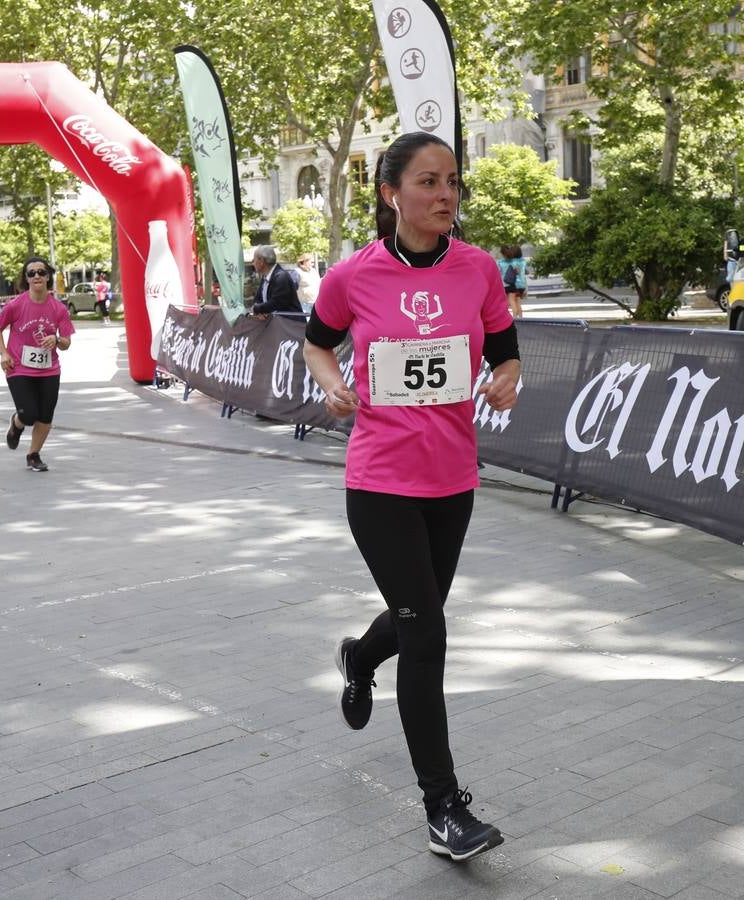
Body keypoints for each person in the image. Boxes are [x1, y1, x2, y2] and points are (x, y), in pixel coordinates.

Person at [302, 131, 521, 864]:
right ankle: (444, 809)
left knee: (416, 616)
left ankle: (360, 659)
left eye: (454, 181)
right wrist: (331, 383)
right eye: (429, 182)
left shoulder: (479, 269)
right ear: (392, 193)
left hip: (452, 479)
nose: (446, 195)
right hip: (380, 483)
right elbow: (316, 341)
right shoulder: (352, 276)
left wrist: (509, 376)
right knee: (427, 634)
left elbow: (504, 346)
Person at [0, 257, 74, 473]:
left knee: (45, 415)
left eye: (41, 272)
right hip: (18, 367)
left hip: (49, 369)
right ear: (26, 279)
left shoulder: (59, 309)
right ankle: (16, 424)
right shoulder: (16, 305)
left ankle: (33, 455)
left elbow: (66, 343)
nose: (37, 276)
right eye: (31, 273)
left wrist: (56, 340)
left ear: (48, 277)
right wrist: (3, 353)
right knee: (28, 414)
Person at [249, 245, 301, 317]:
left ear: (261, 261)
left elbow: (277, 302)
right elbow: (258, 299)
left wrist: (257, 309)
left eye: (253, 260)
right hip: (277, 324)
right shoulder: (265, 277)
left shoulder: (281, 276)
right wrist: (260, 313)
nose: (253, 263)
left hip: (289, 325)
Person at [496, 245, 527, 319]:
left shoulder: (500, 262)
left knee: (510, 301)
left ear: (501, 253)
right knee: (517, 302)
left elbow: (498, 273)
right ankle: (520, 318)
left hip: (506, 284)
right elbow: (518, 271)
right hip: (516, 284)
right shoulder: (518, 261)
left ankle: (514, 318)